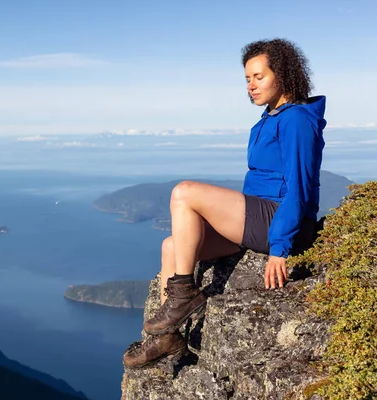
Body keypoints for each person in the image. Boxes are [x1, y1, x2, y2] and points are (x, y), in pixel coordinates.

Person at [123, 38, 326, 369]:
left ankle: (185, 295)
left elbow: (299, 189)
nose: (251, 85)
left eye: (259, 76)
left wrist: (280, 248)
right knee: (172, 248)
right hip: (258, 215)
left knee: (184, 192)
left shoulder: (296, 120)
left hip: (280, 220)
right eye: (247, 78)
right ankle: (168, 338)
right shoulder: (269, 119)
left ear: (283, 75)